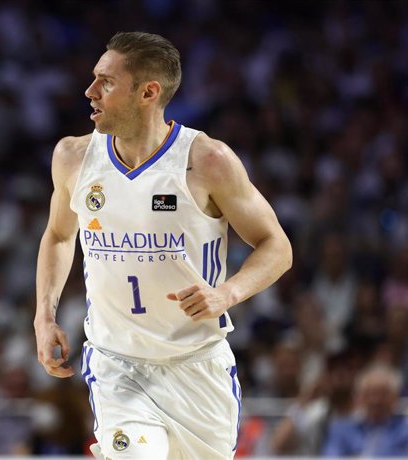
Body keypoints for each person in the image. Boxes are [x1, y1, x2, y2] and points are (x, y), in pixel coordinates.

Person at [33, 31, 292, 459]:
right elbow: (59, 236)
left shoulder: (207, 161)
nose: (89, 91)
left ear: (148, 92)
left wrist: (227, 293)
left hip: (197, 364)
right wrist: (45, 317)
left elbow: (277, 247)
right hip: (118, 363)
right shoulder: (73, 157)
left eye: (106, 82)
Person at [321, 364, 408, 457]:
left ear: (395, 397)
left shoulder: (404, 430)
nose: (376, 400)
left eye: (383, 394)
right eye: (370, 393)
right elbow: (331, 456)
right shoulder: (341, 429)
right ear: (359, 397)